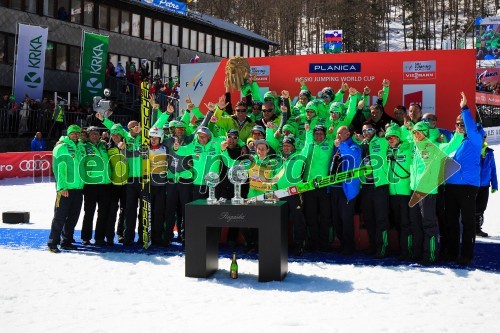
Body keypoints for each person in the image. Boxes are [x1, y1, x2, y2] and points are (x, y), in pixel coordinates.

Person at [444, 93, 483, 265]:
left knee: (467, 223)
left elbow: (471, 127)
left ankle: (466, 254)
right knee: (451, 222)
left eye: (463, 124)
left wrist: (464, 109)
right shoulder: (454, 140)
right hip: (451, 186)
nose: (460, 126)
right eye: (457, 124)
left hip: (468, 186)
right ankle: (451, 253)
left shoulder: (475, 138)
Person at [47, 125, 86, 252]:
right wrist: (62, 187)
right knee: (60, 216)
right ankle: (53, 243)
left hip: (78, 188)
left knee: (73, 217)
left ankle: (66, 241)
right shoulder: (61, 147)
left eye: (77, 133)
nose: (75, 135)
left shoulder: (81, 146)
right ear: (68, 134)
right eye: (73, 133)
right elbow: (58, 168)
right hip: (66, 188)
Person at [328, 125, 361, 255]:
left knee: (346, 219)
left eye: (340, 134)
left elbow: (351, 155)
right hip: (334, 188)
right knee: (336, 219)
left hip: (347, 190)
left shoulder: (354, 146)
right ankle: (342, 243)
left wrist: (340, 145)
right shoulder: (337, 146)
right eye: (337, 134)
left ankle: (349, 246)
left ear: (347, 134)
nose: (338, 136)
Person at [80, 126, 111, 245]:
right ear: (88, 135)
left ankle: (99, 237)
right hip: (90, 184)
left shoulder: (103, 145)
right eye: (92, 134)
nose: (95, 135)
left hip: (105, 184)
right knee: (89, 212)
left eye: (97, 134)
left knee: (103, 213)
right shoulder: (84, 146)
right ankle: (86, 237)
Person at [476, 132, 498, 237]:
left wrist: (495, 185)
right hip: (473, 185)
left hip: (485, 185)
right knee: (471, 207)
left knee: (481, 208)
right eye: (481, 136)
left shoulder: (489, 152)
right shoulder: (473, 150)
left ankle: (477, 228)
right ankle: (470, 228)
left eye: (484, 137)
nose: (483, 139)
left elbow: (493, 169)